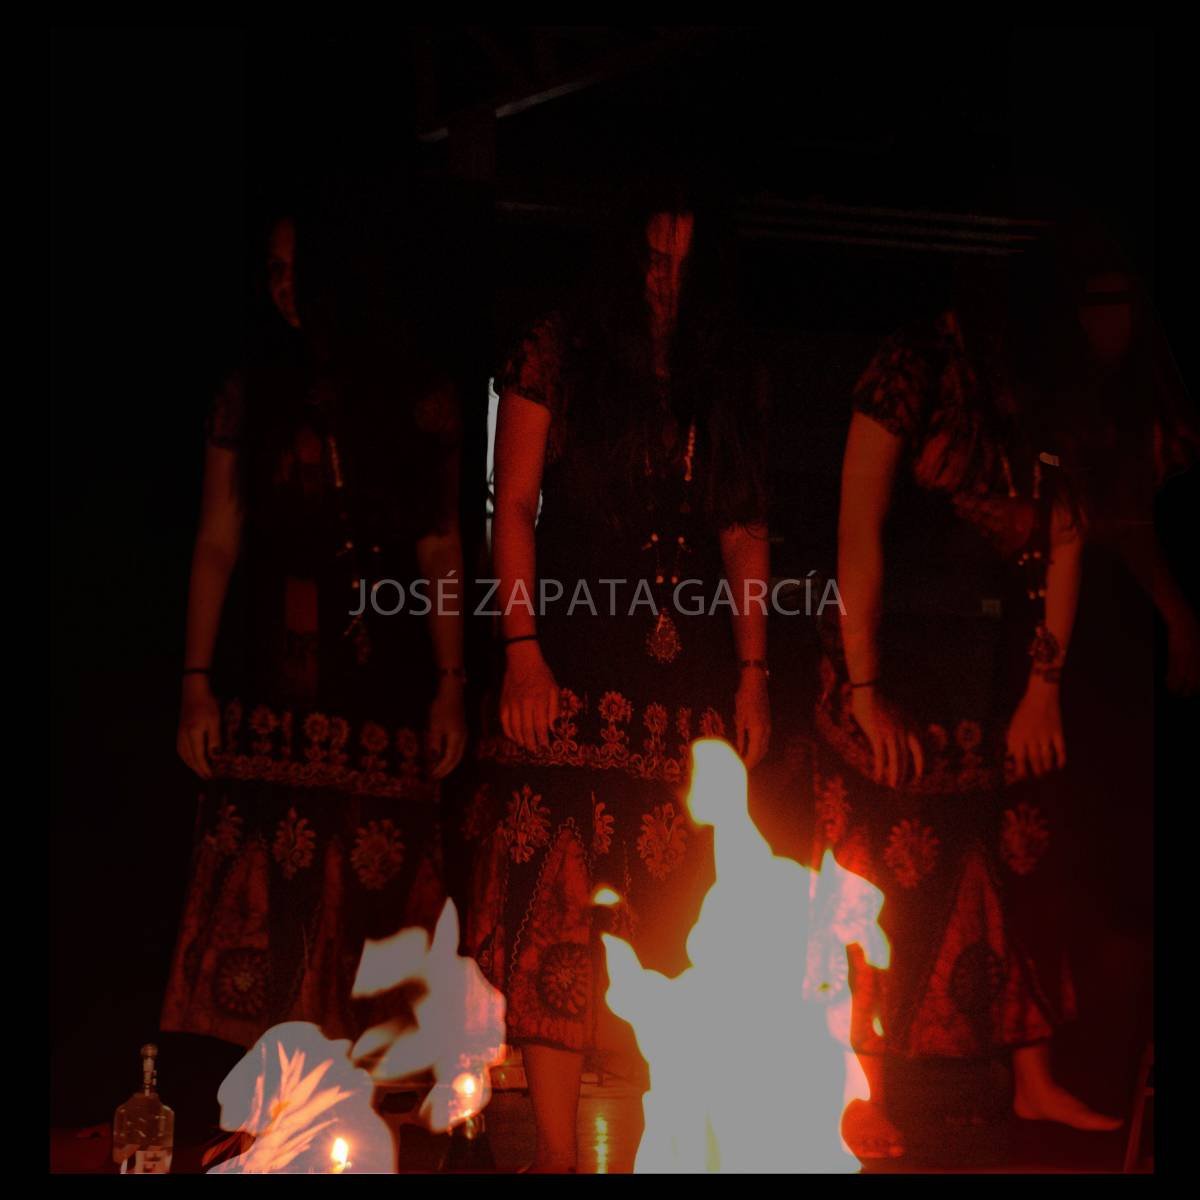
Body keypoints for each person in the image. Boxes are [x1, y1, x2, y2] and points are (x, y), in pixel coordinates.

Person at [463, 183, 771, 1172]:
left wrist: (754, 672)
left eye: (685, 263)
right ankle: (557, 1153)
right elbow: (513, 505)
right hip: (572, 659)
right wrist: (522, 653)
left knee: (674, 912)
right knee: (556, 909)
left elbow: (743, 525)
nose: (666, 282)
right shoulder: (557, 347)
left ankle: (651, 1147)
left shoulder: (719, 364)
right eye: (652, 259)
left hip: (686, 675)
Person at [812, 249, 1122, 1160]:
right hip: (889, 650)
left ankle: (1033, 1080)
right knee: (873, 867)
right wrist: (866, 691)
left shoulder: (1046, 386)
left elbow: (1066, 532)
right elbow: (858, 529)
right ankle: (858, 1089)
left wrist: (1044, 687)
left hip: (988, 659)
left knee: (1019, 850)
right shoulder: (907, 369)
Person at [161, 202, 467, 1056]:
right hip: (278, 659)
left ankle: (372, 1095)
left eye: (300, 270)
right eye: (274, 271)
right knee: (278, 883)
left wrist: (451, 684)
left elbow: (440, 542)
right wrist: (195, 683)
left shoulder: (416, 394)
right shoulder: (250, 390)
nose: (286, 289)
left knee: (378, 890)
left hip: (386, 660)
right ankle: (276, 1098)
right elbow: (217, 538)